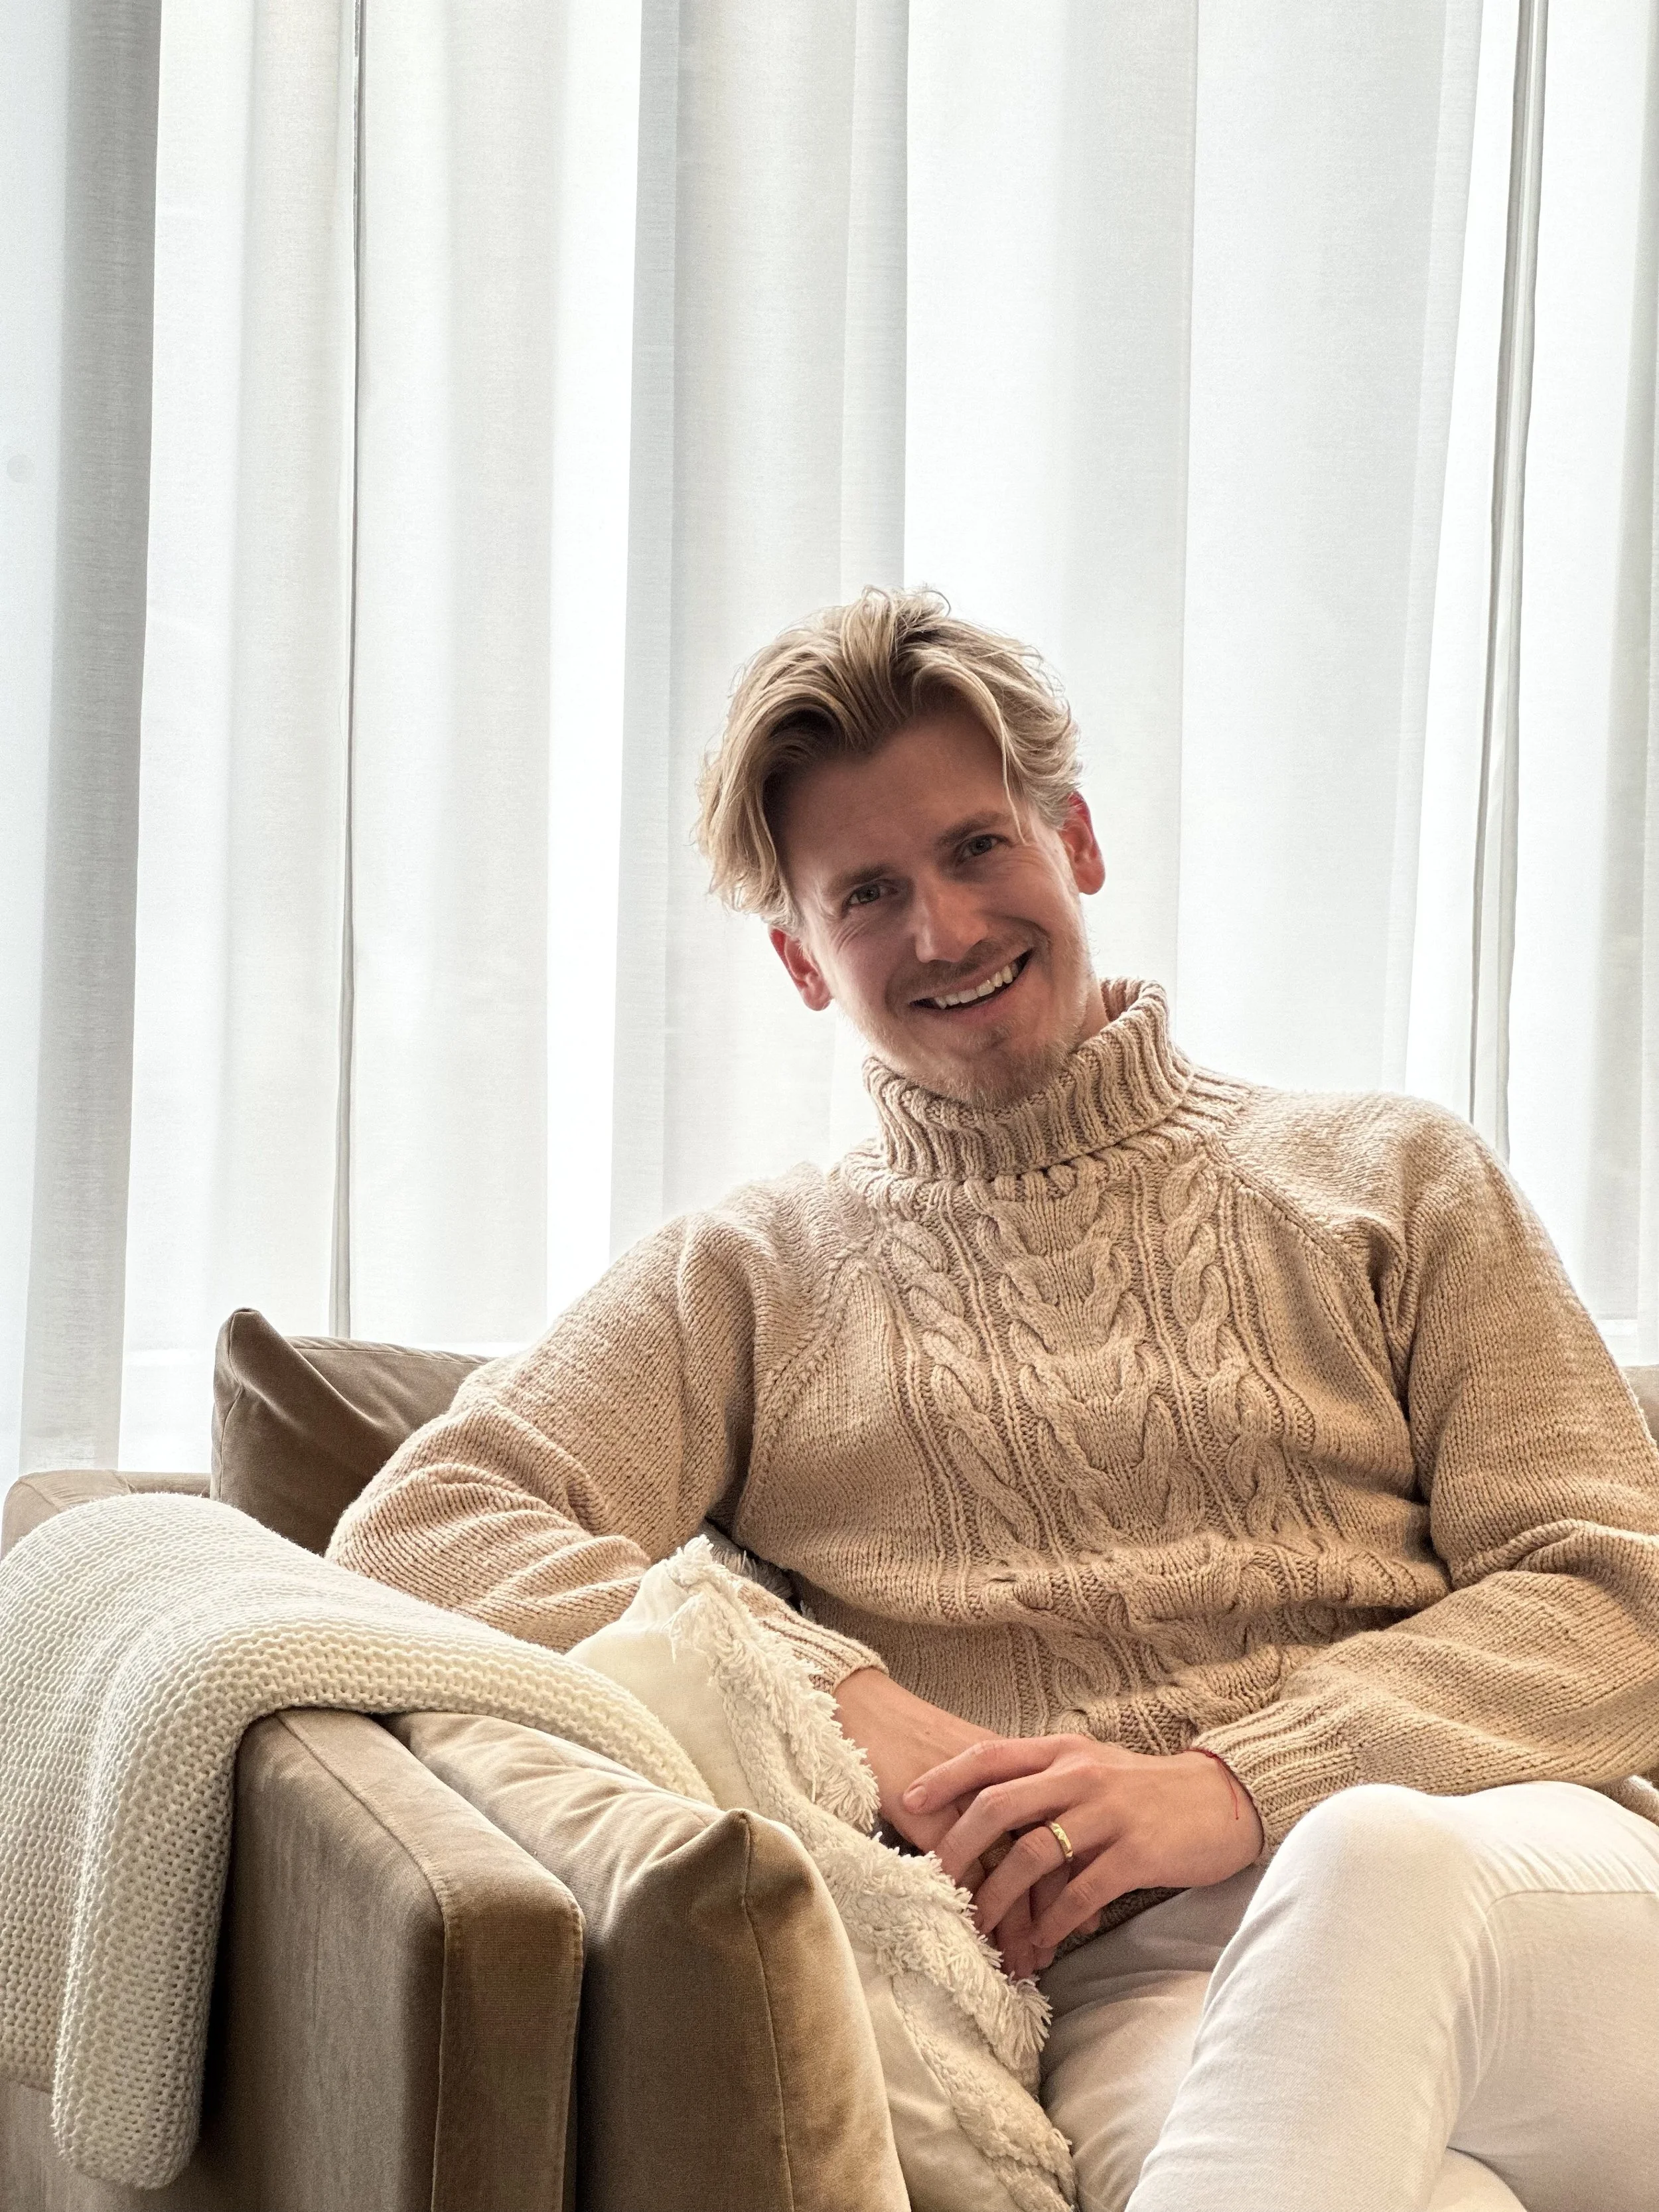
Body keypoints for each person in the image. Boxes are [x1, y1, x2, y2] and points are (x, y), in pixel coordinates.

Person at [329, 588, 1659, 2212]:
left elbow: (1613, 1592)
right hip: (1129, 1991)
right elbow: (423, 1524)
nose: (944, 931)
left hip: (1514, 1880)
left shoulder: (1391, 1174)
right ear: (799, 958)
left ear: (1074, 839)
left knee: (1363, 1855)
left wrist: (1235, 1784)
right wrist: (829, 1698)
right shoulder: (749, 1275)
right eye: (867, 893)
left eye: (975, 849)